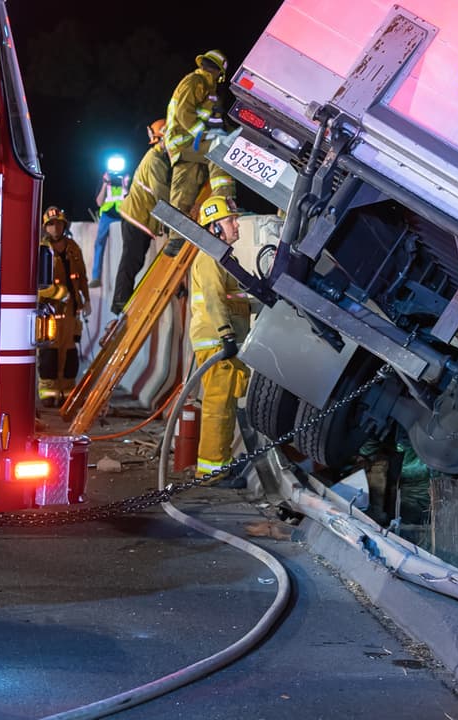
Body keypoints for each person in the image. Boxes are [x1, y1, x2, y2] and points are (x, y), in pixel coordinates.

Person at [189, 196, 252, 485]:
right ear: (214, 227)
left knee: (225, 406)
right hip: (217, 342)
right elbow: (214, 300)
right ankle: (211, 473)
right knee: (218, 407)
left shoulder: (224, 258)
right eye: (230, 220)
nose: (236, 224)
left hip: (224, 342)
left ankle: (221, 465)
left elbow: (233, 298)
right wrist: (226, 333)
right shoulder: (210, 258)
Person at [163, 49, 236, 256]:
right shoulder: (196, 82)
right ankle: (225, 204)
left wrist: (235, 133)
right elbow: (183, 112)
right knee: (220, 152)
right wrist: (203, 135)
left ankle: (175, 240)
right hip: (187, 142)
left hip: (188, 146)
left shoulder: (208, 90)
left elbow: (217, 122)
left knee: (184, 192)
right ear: (220, 73)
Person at [110, 119, 170, 315]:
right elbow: (162, 193)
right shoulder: (155, 160)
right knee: (131, 260)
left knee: (134, 260)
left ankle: (121, 300)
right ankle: (120, 302)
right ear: (163, 137)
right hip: (136, 217)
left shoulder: (158, 158)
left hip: (137, 216)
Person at [37, 206, 90, 408]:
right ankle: (48, 392)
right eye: (51, 224)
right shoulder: (42, 250)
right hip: (49, 311)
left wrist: (86, 300)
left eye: (58, 223)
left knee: (69, 355)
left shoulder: (73, 248)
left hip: (70, 312)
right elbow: (36, 286)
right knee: (49, 354)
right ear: (45, 227)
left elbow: (82, 276)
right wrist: (60, 294)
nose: (55, 227)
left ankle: (67, 391)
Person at [90, 156, 130, 288]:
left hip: (123, 215)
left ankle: (125, 277)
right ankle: (96, 277)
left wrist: (125, 185)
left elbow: (130, 200)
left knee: (128, 243)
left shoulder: (125, 180)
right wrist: (105, 183)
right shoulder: (103, 181)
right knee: (99, 243)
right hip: (107, 216)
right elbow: (99, 202)